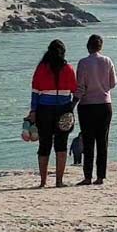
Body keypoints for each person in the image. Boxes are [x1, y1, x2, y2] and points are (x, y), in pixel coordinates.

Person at [29, 39, 77, 188]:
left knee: (44, 146)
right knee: (61, 146)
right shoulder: (68, 68)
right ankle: (59, 181)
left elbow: (35, 92)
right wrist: (71, 106)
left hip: (44, 110)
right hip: (63, 110)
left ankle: (43, 181)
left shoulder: (41, 69)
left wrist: (33, 111)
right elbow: (74, 89)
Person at [75, 34, 117, 186]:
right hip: (105, 104)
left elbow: (79, 87)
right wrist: (102, 87)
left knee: (88, 142)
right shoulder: (107, 61)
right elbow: (113, 83)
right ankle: (100, 177)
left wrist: (72, 104)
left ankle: (87, 177)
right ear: (101, 46)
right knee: (102, 141)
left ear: (88, 46)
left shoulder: (83, 63)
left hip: (87, 106)